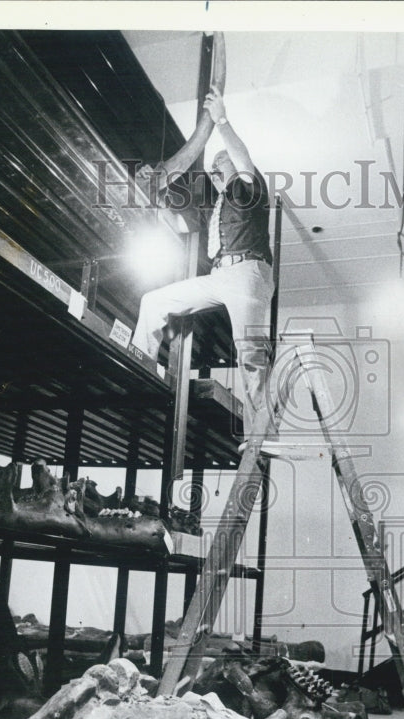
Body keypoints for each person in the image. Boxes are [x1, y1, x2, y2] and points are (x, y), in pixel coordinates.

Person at [131, 85, 278, 453]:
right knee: (154, 302)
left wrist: (221, 120)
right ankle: (137, 368)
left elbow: (243, 160)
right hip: (220, 275)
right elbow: (178, 213)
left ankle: (264, 434)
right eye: (212, 169)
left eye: (220, 164)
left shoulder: (250, 191)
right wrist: (156, 185)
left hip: (248, 274)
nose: (215, 171)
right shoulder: (218, 208)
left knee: (250, 352)